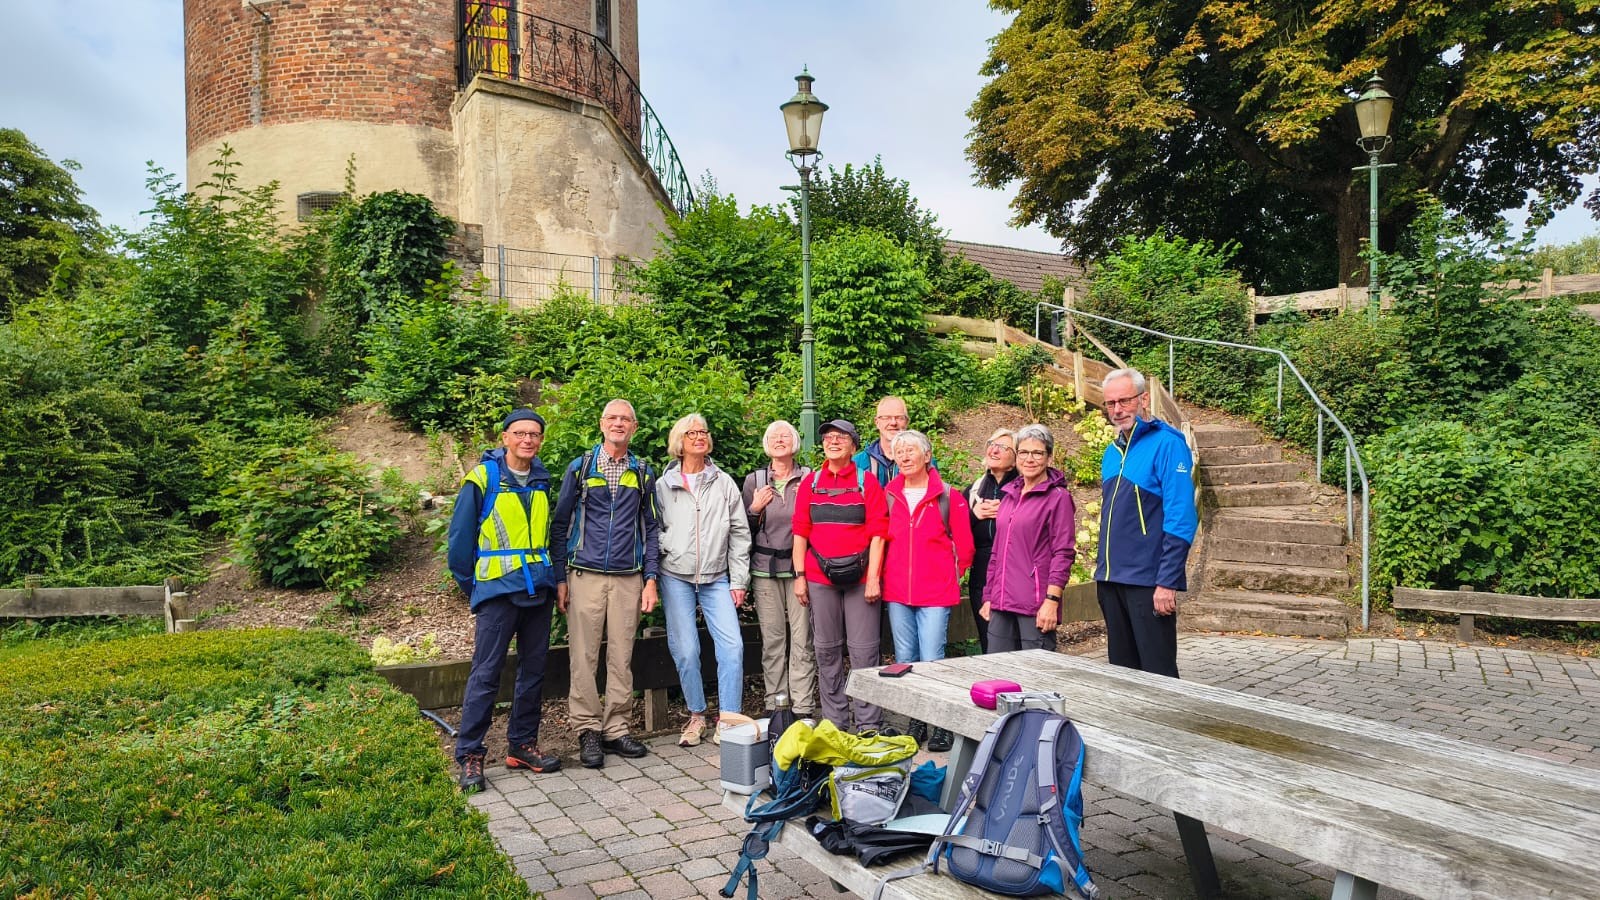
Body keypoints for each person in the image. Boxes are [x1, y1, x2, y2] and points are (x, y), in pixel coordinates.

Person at [447, 408, 561, 792]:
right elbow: (460, 544)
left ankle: (522, 744)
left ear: (540, 440)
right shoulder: (483, 478)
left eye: (534, 434)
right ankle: (470, 755)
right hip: (498, 591)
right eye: (520, 433)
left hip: (538, 589)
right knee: (486, 673)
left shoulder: (542, 479)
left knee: (534, 670)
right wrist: (474, 588)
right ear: (505, 437)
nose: (527, 440)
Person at [550, 399, 660, 769]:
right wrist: (560, 577)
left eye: (625, 419)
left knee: (621, 656)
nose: (618, 424)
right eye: (612, 418)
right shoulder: (581, 468)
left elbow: (653, 529)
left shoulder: (643, 472)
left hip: (629, 578)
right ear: (601, 424)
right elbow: (561, 523)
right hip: (585, 575)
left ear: (635, 427)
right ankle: (587, 730)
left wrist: (651, 579)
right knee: (583, 655)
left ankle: (616, 728)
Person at [656, 414, 752, 747]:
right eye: (691, 433)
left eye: (703, 432)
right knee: (685, 649)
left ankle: (728, 719)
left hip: (716, 578)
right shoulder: (662, 486)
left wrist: (738, 580)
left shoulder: (723, 482)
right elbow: (652, 529)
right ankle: (696, 715)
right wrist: (668, 546)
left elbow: (740, 532)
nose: (699, 437)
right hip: (675, 575)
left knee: (733, 646)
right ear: (679, 441)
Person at [1094, 368, 1197, 678]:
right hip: (1111, 581)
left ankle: (1169, 727)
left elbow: (1182, 517)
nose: (1117, 410)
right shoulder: (1112, 452)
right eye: (1110, 403)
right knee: (1123, 675)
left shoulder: (1168, 444)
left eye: (1124, 400)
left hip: (1147, 582)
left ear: (1143, 399)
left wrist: (1167, 581)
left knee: (1158, 674)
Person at [793, 419, 890, 733]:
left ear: (853, 445)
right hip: (820, 578)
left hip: (861, 580)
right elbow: (800, 532)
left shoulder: (867, 482)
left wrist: (874, 577)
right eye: (828, 438)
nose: (833, 442)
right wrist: (799, 576)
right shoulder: (811, 482)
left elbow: (878, 533)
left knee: (865, 653)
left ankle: (868, 723)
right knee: (826, 649)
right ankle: (834, 721)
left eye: (841, 437)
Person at [882, 429, 974, 751]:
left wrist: (953, 575)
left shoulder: (948, 496)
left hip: (935, 593)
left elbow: (965, 547)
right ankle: (916, 720)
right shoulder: (889, 495)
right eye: (899, 451)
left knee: (934, 660)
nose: (905, 456)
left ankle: (943, 724)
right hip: (897, 592)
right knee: (906, 659)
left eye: (911, 450)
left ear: (927, 455)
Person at [742, 420, 818, 720]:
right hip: (765, 570)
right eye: (773, 436)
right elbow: (741, 529)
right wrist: (754, 510)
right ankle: (776, 703)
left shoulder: (810, 478)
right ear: (766, 443)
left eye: (785, 435)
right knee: (773, 640)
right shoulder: (755, 481)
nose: (779, 440)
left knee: (803, 641)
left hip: (801, 571)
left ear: (795, 442)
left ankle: (802, 706)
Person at [981, 424, 1077, 653]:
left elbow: (1063, 553)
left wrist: (1052, 601)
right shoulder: (1010, 495)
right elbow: (997, 552)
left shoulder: (1058, 498)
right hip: (1001, 602)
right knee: (999, 676)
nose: (1030, 459)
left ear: (1049, 457)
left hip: (1034, 605)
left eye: (1038, 453)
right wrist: (988, 596)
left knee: (1035, 680)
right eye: (1024, 452)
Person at [965, 428, 1019, 654]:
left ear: (1015, 458)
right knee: (989, 642)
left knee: (1015, 644)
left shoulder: (1022, 489)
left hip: (1014, 576)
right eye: (991, 443)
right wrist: (974, 515)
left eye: (1003, 447)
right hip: (982, 576)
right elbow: (953, 532)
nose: (994, 449)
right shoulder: (974, 489)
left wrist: (1009, 514)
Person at [853, 396, 911, 486]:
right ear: (877, 422)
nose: (893, 423)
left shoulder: (921, 461)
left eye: (899, 418)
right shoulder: (857, 463)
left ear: (906, 422)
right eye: (886, 418)